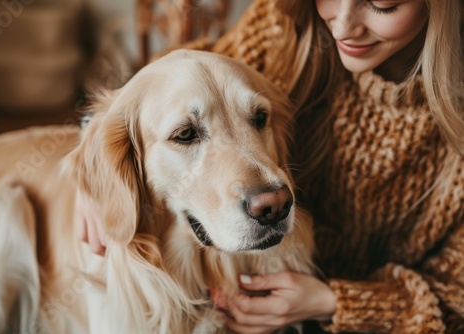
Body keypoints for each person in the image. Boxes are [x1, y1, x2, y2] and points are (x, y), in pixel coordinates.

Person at [76, 0, 464, 332]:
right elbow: (188, 71)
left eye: (383, 3)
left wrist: (337, 303)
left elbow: (457, 296)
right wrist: (98, 162)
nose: (343, 24)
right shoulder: (283, 25)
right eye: (186, 135)